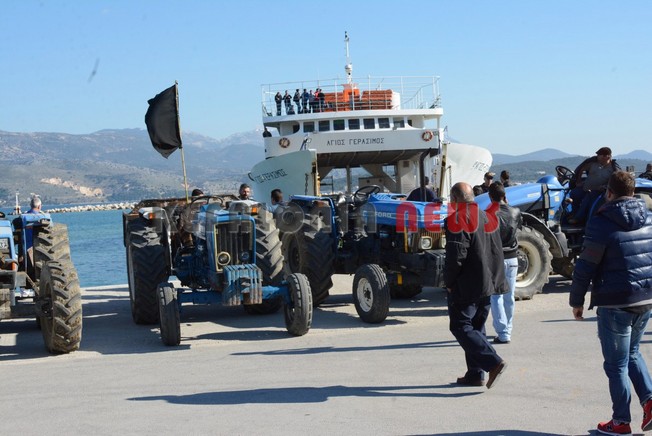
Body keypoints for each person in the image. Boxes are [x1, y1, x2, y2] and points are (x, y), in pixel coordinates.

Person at [570, 171, 652, 435]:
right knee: (633, 353)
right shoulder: (649, 217)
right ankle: (650, 403)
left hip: (615, 300)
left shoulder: (602, 221)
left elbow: (586, 265)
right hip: (646, 297)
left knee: (616, 364)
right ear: (633, 191)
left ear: (608, 192)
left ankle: (620, 422)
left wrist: (577, 300)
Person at [444, 182, 508, 389]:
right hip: (488, 282)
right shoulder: (487, 216)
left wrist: (449, 282)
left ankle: (493, 362)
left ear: (455, 199)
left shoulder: (458, 219)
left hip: (468, 284)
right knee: (477, 327)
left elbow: (456, 255)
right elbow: (496, 251)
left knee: (460, 326)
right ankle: (475, 374)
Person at [487, 182, 521, 344]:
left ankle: (503, 332)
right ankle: (508, 329)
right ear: (504, 195)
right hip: (513, 257)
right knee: (509, 296)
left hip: (496, 259)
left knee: (496, 296)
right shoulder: (516, 211)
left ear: (490, 196)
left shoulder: (487, 214)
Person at [569, 147, 620, 225]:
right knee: (574, 193)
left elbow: (615, 181)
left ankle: (578, 218)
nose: (597, 157)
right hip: (586, 187)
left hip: (600, 190)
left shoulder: (613, 169)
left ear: (607, 156)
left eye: (599, 155)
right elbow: (582, 169)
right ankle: (573, 213)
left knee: (589, 197)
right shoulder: (593, 164)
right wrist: (579, 181)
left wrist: (605, 186)